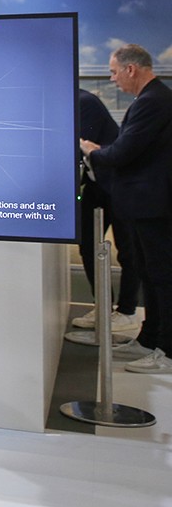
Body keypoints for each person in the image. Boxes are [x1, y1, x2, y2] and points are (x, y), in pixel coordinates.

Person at [81, 44, 172, 374]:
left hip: (153, 207)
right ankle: (150, 339)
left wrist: (93, 152)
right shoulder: (152, 100)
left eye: (114, 72)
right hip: (146, 205)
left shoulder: (153, 102)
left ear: (131, 69)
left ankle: (167, 350)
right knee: (151, 273)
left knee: (161, 277)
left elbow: (123, 152)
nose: (112, 79)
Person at [73, 87, 140, 335]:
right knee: (87, 245)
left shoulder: (84, 102)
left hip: (116, 184)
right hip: (94, 184)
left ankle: (126, 311)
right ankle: (102, 306)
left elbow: (79, 145)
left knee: (128, 249)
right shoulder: (70, 102)